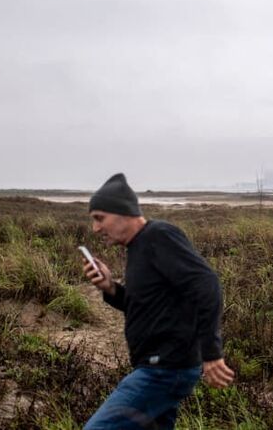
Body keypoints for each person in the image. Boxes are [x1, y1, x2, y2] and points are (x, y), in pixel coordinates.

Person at [81, 173, 234, 429]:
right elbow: (144, 306)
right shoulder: (138, 247)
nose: (96, 228)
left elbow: (207, 284)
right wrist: (109, 287)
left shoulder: (158, 236)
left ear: (123, 213)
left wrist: (212, 353)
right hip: (162, 368)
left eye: (100, 218)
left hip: (164, 370)